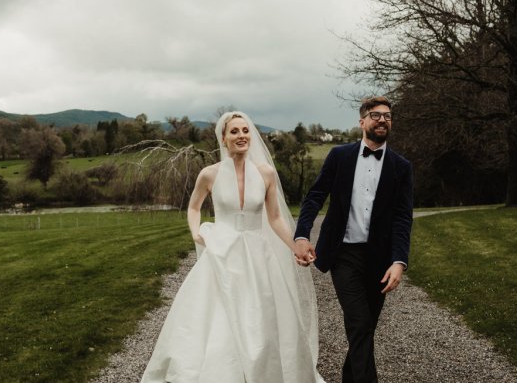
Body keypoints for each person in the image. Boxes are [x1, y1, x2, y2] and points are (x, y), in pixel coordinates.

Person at [141, 112, 324, 383]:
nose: (242, 136)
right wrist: (196, 232)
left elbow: (274, 218)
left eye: (246, 131)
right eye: (235, 132)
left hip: (257, 255)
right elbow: (193, 207)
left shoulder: (266, 174)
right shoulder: (210, 174)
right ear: (224, 139)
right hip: (222, 252)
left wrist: (294, 245)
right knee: (220, 316)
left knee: (258, 316)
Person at [293, 96, 413, 383]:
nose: (383, 119)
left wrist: (399, 261)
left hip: (380, 259)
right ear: (362, 122)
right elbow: (315, 197)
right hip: (343, 254)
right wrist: (301, 235)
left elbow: (402, 218)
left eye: (388, 115)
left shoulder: (401, 167)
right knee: (359, 323)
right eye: (375, 115)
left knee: (365, 327)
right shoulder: (339, 156)